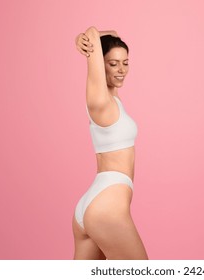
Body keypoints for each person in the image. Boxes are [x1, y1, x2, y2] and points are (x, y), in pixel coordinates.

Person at [72, 26, 148, 260]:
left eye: (125, 62)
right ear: (99, 64)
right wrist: (83, 40)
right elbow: (95, 34)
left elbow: (112, 33)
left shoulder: (113, 99)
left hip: (93, 203)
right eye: (112, 63)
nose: (121, 69)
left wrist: (90, 39)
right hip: (107, 206)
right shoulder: (99, 101)